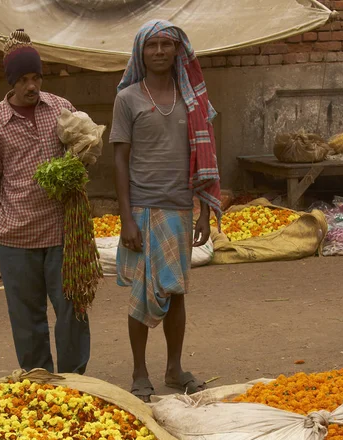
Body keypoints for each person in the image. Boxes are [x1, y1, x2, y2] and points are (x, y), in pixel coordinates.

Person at [110, 19, 221, 402]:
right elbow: (120, 161)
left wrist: (205, 212)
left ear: (177, 51)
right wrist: (126, 219)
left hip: (179, 208)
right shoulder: (127, 99)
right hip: (141, 209)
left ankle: (174, 369)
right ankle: (140, 372)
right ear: (140, 54)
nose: (158, 51)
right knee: (141, 295)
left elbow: (205, 158)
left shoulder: (192, 100)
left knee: (176, 292)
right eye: (151, 45)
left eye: (165, 44)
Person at [0, 29, 90, 374]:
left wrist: (84, 153)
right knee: (27, 318)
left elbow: (84, 146)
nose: (32, 86)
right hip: (17, 237)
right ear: (11, 81)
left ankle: (73, 379)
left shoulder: (60, 108)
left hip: (61, 230)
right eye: (24, 79)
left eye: (36, 77)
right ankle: (39, 379)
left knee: (73, 307)